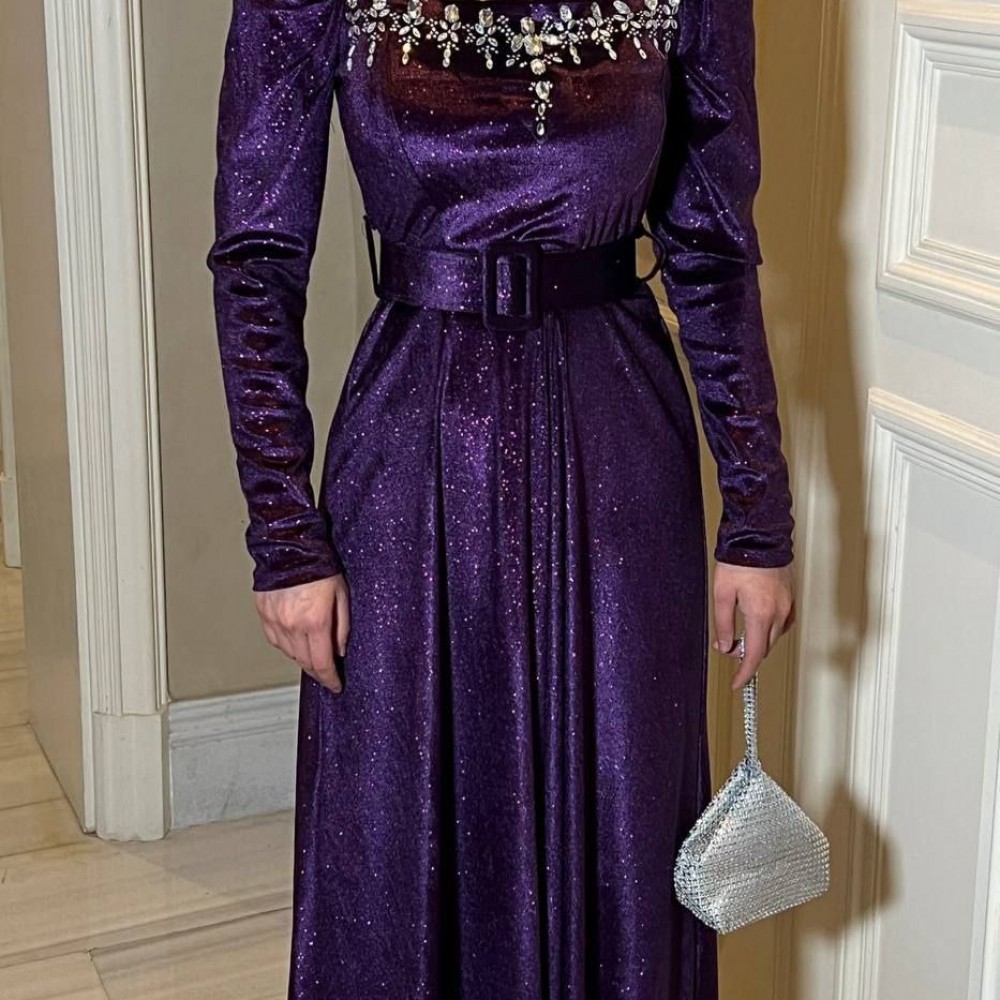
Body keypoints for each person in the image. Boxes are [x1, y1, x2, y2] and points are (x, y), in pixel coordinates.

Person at [206, 0, 796, 995]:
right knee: (399, 829)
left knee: (625, 821)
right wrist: (285, 534)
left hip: (621, 461)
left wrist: (756, 518)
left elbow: (712, 249)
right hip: (413, 453)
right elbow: (256, 260)